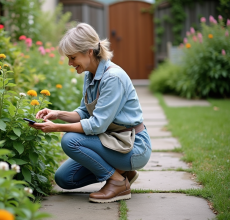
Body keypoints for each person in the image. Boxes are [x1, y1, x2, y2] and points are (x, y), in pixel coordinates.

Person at [29, 23, 152, 203]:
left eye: (72, 57)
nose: (70, 63)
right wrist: (57, 114)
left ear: (88, 51)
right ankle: (124, 173)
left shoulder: (113, 78)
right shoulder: (91, 74)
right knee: (65, 178)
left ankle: (118, 183)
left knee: (70, 140)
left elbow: (96, 125)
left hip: (133, 146)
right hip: (112, 142)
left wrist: (56, 128)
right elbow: (84, 113)